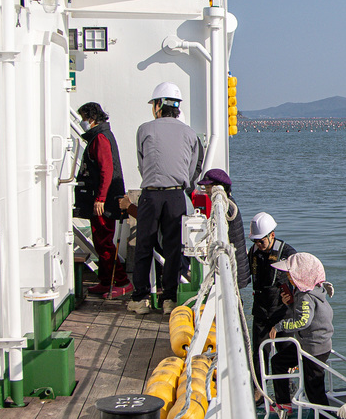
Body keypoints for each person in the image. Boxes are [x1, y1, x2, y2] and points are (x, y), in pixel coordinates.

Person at [127, 82, 203, 314]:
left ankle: (141, 299)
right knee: (174, 249)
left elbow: (142, 164)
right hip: (176, 195)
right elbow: (192, 172)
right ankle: (169, 299)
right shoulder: (190, 133)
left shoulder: (145, 129)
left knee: (144, 246)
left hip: (151, 194)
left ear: (158, 105)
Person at [270, 253, 337, 419]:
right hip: (315, 345)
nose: (288, 277)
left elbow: (303, 322)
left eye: (290, 273)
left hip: (312, 348)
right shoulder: (316, 290)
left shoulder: (305, 296)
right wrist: (291, 305)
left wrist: (280, 325)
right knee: (279, 362)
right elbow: (305, 317)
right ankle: (284, 403)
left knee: (314, 390)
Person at [73, 102, 128, 297]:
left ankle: (121, 280)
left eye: (84, 118)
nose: (83, 123)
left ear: (92, 118)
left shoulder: (100, 138)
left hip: (103, 200)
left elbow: (106, 169)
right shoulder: (100, 136)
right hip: (102, 198)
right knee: (100, 239)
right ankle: (106, 280)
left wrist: (101, 198)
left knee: (104, 240)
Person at [246, 212, 294, 397]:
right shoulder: (254, 252)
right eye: (255, 241)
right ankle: (258, 391)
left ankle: (286, 391)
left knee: (285, 353)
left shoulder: (287, 253)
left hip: (282, 311)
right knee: (259, 352)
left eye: (261, 241)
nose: (258, 245)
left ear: (272, 235)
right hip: (261, 309)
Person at [197, 168, 250, 290]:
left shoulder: (227, 208)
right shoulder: (229, 203)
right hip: (237, 264)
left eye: (208, 187)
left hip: (234, 265)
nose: (206, 191)